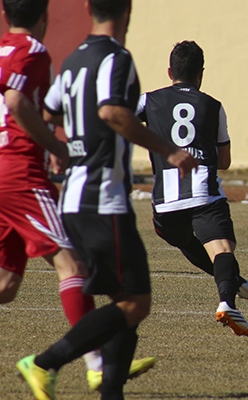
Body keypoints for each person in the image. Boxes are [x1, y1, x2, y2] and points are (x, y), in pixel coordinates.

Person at [15, 0, 198, 399]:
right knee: (136, 303)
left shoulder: (73, 59)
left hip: (76, 197)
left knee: (123, 301)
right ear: (128, 9)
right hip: (102, 198)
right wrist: (168, 150)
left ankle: (110, 391)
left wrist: (61, 146)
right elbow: (114, 112)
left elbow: (47, 114)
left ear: (86, 7)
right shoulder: (116, 57)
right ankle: (44, 363)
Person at [0, 0, 154, 393]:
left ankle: (106, 377)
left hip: (22, 177)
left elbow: (46, 109)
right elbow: (21, 103)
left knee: (6, 284)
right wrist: (58, 146)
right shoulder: (35, 51)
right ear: (44, 16)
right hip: (31, 175)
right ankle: (76, 363)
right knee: (80, 272)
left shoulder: (35, 56)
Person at [136, 40, 248, 336]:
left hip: (165, 204)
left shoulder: (148, 100)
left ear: (169, 71)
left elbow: (117, 117)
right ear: (201, 74)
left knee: (185, 240)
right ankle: (227, 300)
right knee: (222, 249)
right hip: (204, 194)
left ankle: (233, 280)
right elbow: (224, 161)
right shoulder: (213, 106)